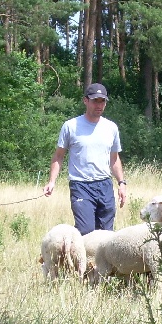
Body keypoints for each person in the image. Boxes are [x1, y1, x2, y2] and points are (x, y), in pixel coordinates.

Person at [43, 83, 128, 235]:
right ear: (85, 101)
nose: (99, 105)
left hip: (105, 185)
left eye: (102, 101)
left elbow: (114, 158)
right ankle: (76, 248)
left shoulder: (111, 128)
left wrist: (121, 183)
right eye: (95, 101)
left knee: (106, 234)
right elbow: (58, 156)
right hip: (81, 185)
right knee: (86, 230)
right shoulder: (70, 126)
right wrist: (51, 182)